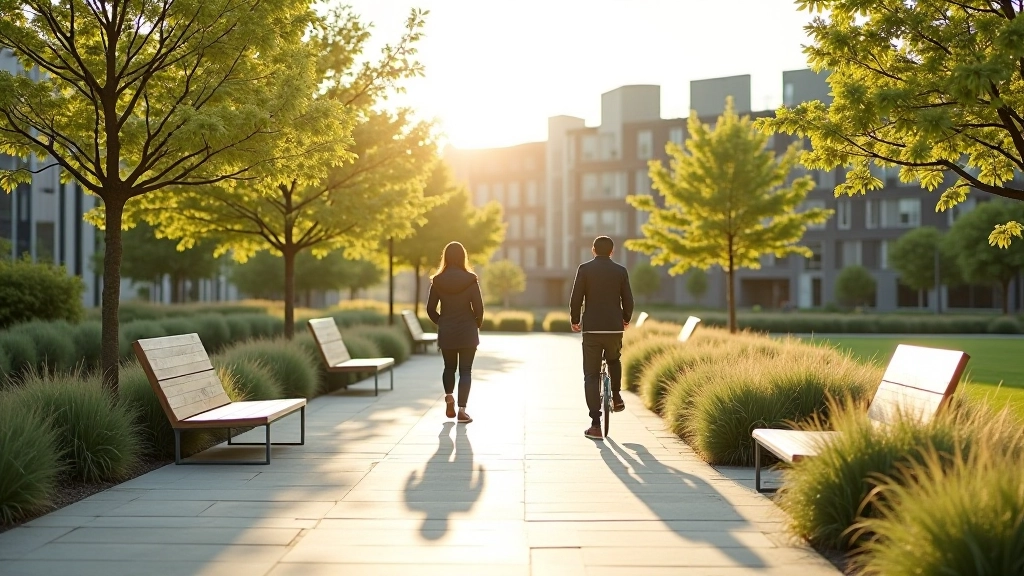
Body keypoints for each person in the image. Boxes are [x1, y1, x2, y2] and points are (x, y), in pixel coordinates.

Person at [569, 235, 635, 440]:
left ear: (593, 250)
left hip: (592, 329)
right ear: (612, 252)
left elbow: (576, 297)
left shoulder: (585, 269)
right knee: (614, 360)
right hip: (614, 328)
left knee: (591, 375)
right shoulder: (621, 271)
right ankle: (616, 396)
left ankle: (596, 424)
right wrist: (625, 319)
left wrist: (575, 319)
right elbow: (629, 300)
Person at [426, 241, 484, 424]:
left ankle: (449, 396)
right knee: (465, 370)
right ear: (463, 257)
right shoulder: (471, 280)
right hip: (467, 330)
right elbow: (479, 309)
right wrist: (476, 324)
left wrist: (441, 322)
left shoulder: (437, 281)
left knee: (449, 367)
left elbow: (430, 309)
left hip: (447, 330)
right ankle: (462, 410)